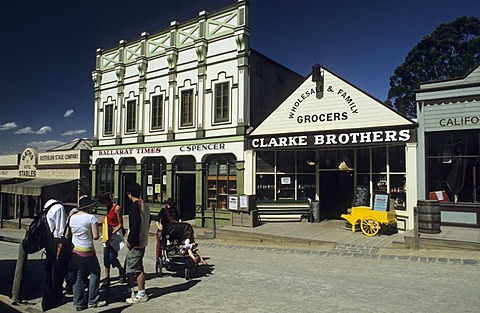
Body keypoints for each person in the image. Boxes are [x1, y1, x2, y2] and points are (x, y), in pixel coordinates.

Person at [69, 196, 106, 311]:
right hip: (87, 250)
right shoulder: (91, 218)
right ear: (88, 207)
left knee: (78, 276)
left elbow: (67, 234)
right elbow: (95, 236)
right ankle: (93, 299)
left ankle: (78, 302)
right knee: (95, 272)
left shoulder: (72, 217)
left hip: (75, 250)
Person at [125, 183, 150, 304]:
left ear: (129, 194)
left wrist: (130, 240)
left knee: (136, 267)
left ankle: (141, 293)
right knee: (131, 266)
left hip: (137, 241)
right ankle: (131, 290)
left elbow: (135, 225)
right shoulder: (145, 205)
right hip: (143, 239)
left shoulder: (135, 206)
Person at [42, 197, 68, 311]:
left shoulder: (49, 204)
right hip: (56, 241)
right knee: (57, 270)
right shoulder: (59, 208)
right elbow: (60, 230)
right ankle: (55, 296)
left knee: (49, 269)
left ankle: (48, 296)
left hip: (48, 240)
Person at [96, 192, 126, 289]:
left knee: (112, 257)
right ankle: (107, 277)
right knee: (106, 257)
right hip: (107, 234)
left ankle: (121, 269)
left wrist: (112, 233)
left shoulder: (117, 208)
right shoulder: (108, 208)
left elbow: (120, 224)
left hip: (114, 234)